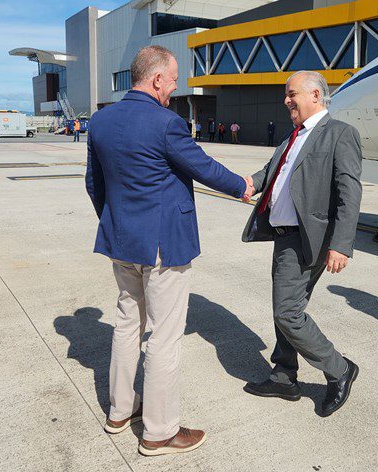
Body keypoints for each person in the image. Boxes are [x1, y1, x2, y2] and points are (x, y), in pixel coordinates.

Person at [86, 45, 253, 456]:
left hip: (121, 242)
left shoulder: (101, 120)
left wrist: (116, 222)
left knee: (127, 324)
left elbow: (95, 184)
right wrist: (242, 187)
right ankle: (159, 432)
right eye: (174, 80)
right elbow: (203, 166)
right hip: (163, 247)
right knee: (163, 336)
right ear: (157, 79)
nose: (175, 88)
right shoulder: (166, 123)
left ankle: (120, 412)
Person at [241, 70, 362, 417]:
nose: (286, 101)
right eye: (286, 94)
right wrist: (251, 181)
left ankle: (339, 369)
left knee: (287, 312)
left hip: (308, 239)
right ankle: (283, 375)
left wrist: (341, 244)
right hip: (284, 237)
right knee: (288, 306)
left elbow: (349, 193)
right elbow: (273, 170)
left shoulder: (339, 134)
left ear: (315, 95)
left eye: (292, 94)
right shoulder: (294, 135)